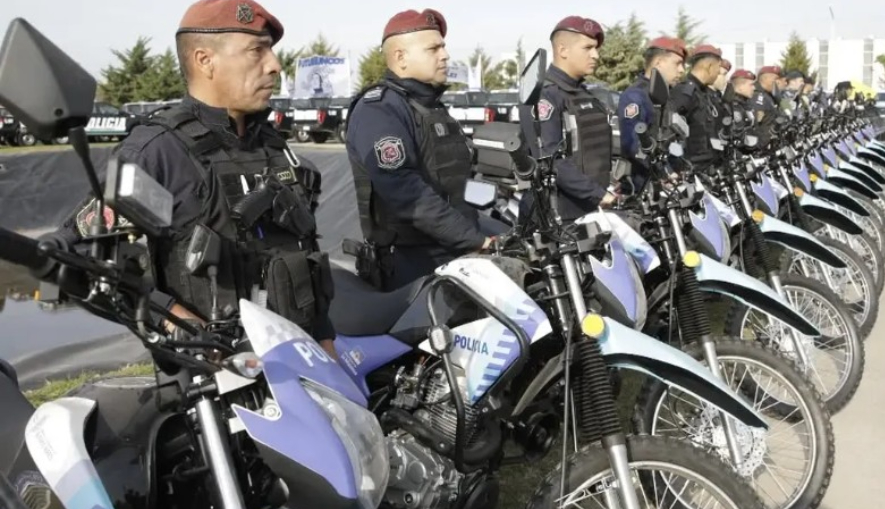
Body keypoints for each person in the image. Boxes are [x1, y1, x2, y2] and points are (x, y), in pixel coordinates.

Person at [54, 0, 338, 359]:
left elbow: (305, 256)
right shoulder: (159, 152)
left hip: (302, 366)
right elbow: (78, 255)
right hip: (213, 387)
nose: (274, 65)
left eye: (271, 50)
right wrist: (176, 321)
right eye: (257, 50)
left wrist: (327, 345)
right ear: (205, 61)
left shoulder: (278, 149)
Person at [345, 8, 497, 291]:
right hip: (412, 268)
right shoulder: (380, 109)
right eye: (434, 48)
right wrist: (475, 240)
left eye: (444, 46)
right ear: (400, 57)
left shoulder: (431, 107)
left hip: (457, 255)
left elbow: (456, 181)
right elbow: (405, 192)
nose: (445, 55)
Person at [518, 16, 617, 223]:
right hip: (557, 216)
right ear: (563, 50)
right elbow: (551, 159)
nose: (596, 55)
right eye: (588, 48)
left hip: (589, 209)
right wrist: (598, 195)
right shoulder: (545, 95)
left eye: (596, 48)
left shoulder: (583, 94)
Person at [617, 36, 688, 193]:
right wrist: (664, 171)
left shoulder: (665, 96)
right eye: (677, 63)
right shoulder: (635, 96)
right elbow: (633, 146)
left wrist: (678, 165)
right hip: (643, 188)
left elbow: (671, 138)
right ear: (658, 63)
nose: (682, 70)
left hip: (667, 185)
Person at [667, 44, 724, 172]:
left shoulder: (705, 93)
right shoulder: (685, 93)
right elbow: (670, 133)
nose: (719, 72)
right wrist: (678, 168)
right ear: (709, 67)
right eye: (718, 67)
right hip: (692, 170)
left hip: (708, 168)